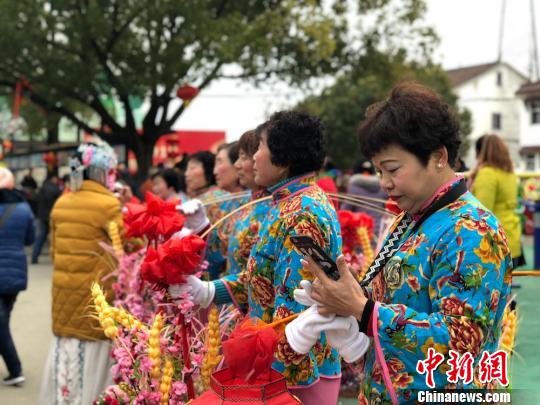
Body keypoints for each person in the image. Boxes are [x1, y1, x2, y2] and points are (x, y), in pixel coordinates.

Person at [287, 83, 512, 403]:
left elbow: (462, 345)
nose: (384, 183)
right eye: (379, 171)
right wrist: (346, 295)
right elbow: (396, 299)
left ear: (438, 157)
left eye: (392, 169)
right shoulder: (413, 217)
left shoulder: (472, 231)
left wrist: (364, 312)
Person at [172, 111, 343, 403]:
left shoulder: (303, 212)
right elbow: (262, 279)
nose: (252, 160)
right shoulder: (285, 203)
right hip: (271, 363)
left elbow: (291, 306)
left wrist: (261, 371)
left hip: (290, 375)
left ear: (284, 157)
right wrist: (208, 291)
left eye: (260, 148)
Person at [39, 138, 129, 405]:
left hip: (64, 302)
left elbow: (55, 252)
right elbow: (125, 252)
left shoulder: (61, 203)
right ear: (103, 172)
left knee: (66, 366)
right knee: (94, 370)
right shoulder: (110, 205)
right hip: (97, 303)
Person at [0, 168, 35, 386]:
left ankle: (16, 368)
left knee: (0, 324)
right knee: (3, 321)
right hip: (15, 273)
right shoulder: (24, 208)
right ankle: (14, 369)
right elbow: (30, 239)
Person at [471, 134, 524, 268]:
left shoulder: (487, 174)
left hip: (494, 243)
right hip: (512, 237)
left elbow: (481, 213)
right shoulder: (509, 173)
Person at [31, 172, 62, 264]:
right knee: (55, 237)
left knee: (41, 236)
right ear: (53, 178)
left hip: (42, 215)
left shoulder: (43, 188)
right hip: (51, 215)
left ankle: (34, 256)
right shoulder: (54, 189)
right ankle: (56, 257)